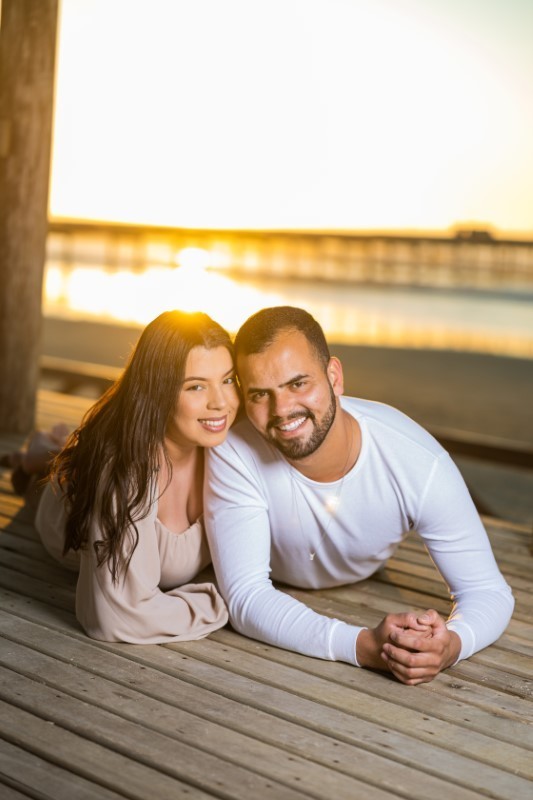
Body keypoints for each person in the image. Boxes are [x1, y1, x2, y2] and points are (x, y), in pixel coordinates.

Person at [204, 306, 514, 685]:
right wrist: (365, 647)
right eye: (259, 394)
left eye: (298, 384)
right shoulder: (232, 449)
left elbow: (487, 591)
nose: (281, 410)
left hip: (361, 572)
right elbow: (246, 596)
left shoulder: (415, 458)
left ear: (334, 377)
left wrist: (452, 644)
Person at [25, 310, 239, 643]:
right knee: (52, 467)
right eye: (196, 386)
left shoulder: (231, 446)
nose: (221, 403)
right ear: (158, 391)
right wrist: (222, 603)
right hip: (59, 503)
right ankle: (34, 457)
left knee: (68, 447)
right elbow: (114, 617)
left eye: (227, 380)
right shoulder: (127, 467)